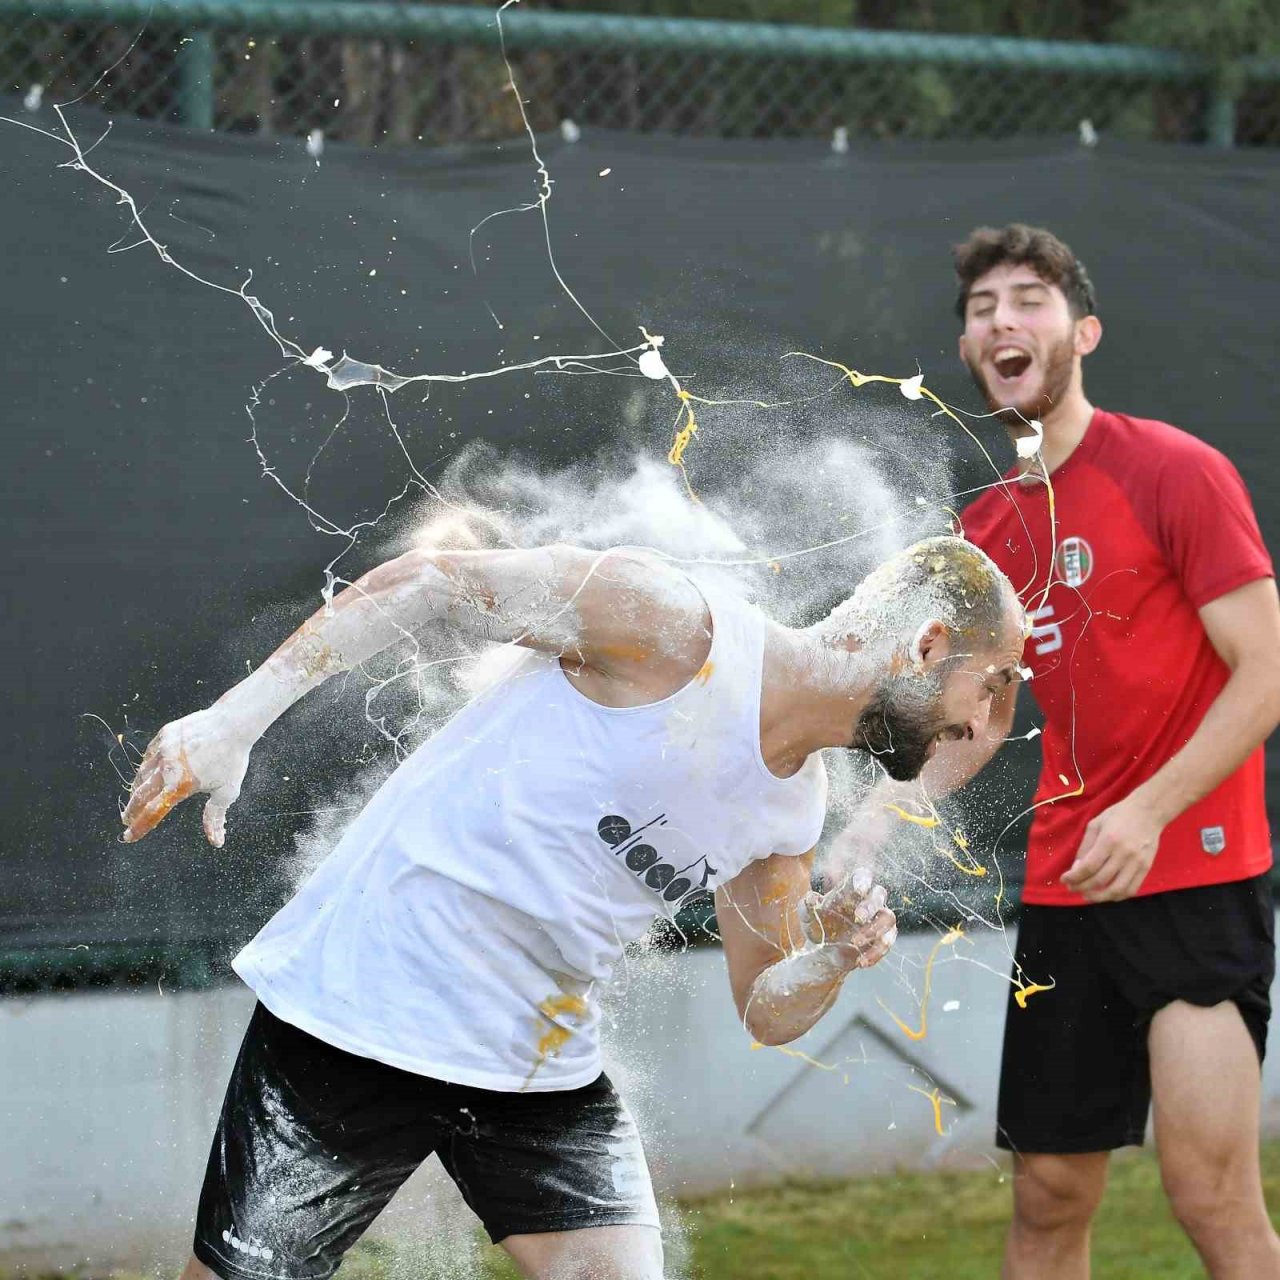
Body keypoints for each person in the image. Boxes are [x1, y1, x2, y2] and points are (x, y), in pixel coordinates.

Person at [122, 535, 1024, 1280]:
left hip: (534, 1068)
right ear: (930, 644)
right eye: (993, 687)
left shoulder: (794, 805)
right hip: (366, 1006)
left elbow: (764, 1007)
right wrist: (235, 721)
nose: (987, 729)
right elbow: (433, 582)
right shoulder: (679, 627)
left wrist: (828, 957)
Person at [869, 223, 1280, 1280]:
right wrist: (870, 825)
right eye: (978, 310)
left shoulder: (1174, 470)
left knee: (1208, 1195)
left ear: (1081, 331)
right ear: (966, 350)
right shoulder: (987, 527)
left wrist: (1145, 810)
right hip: (1064, 894)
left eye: (1027, 300)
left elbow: (1264, 673)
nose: (1000, 321)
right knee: (1048, 1200)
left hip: (1193, 878)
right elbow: (981, 719)